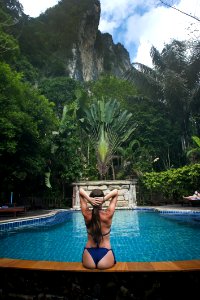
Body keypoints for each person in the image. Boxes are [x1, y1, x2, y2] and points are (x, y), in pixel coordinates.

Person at [79, 187, 118, 270]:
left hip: (89, 254)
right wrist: (104, 199)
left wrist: (89, 199)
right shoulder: (108, 214)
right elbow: (115, 192)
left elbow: (80, 191)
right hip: (106, 254)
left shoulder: (86, 214)